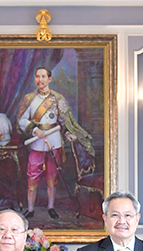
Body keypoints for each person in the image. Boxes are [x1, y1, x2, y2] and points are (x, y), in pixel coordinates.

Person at [15, 66, 94, 221]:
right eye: (37, 76)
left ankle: (51, 207)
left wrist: (67, 133)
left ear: (49, 79)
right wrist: (34, 130)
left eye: (43, 76)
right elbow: (22, 120)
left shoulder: (58, 99)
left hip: (54, 142)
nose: (40, 80)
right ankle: (30, 209)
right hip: (37, 143)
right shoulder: (29, 99)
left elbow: (64, 123)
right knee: (32, 176)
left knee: (52, 176)